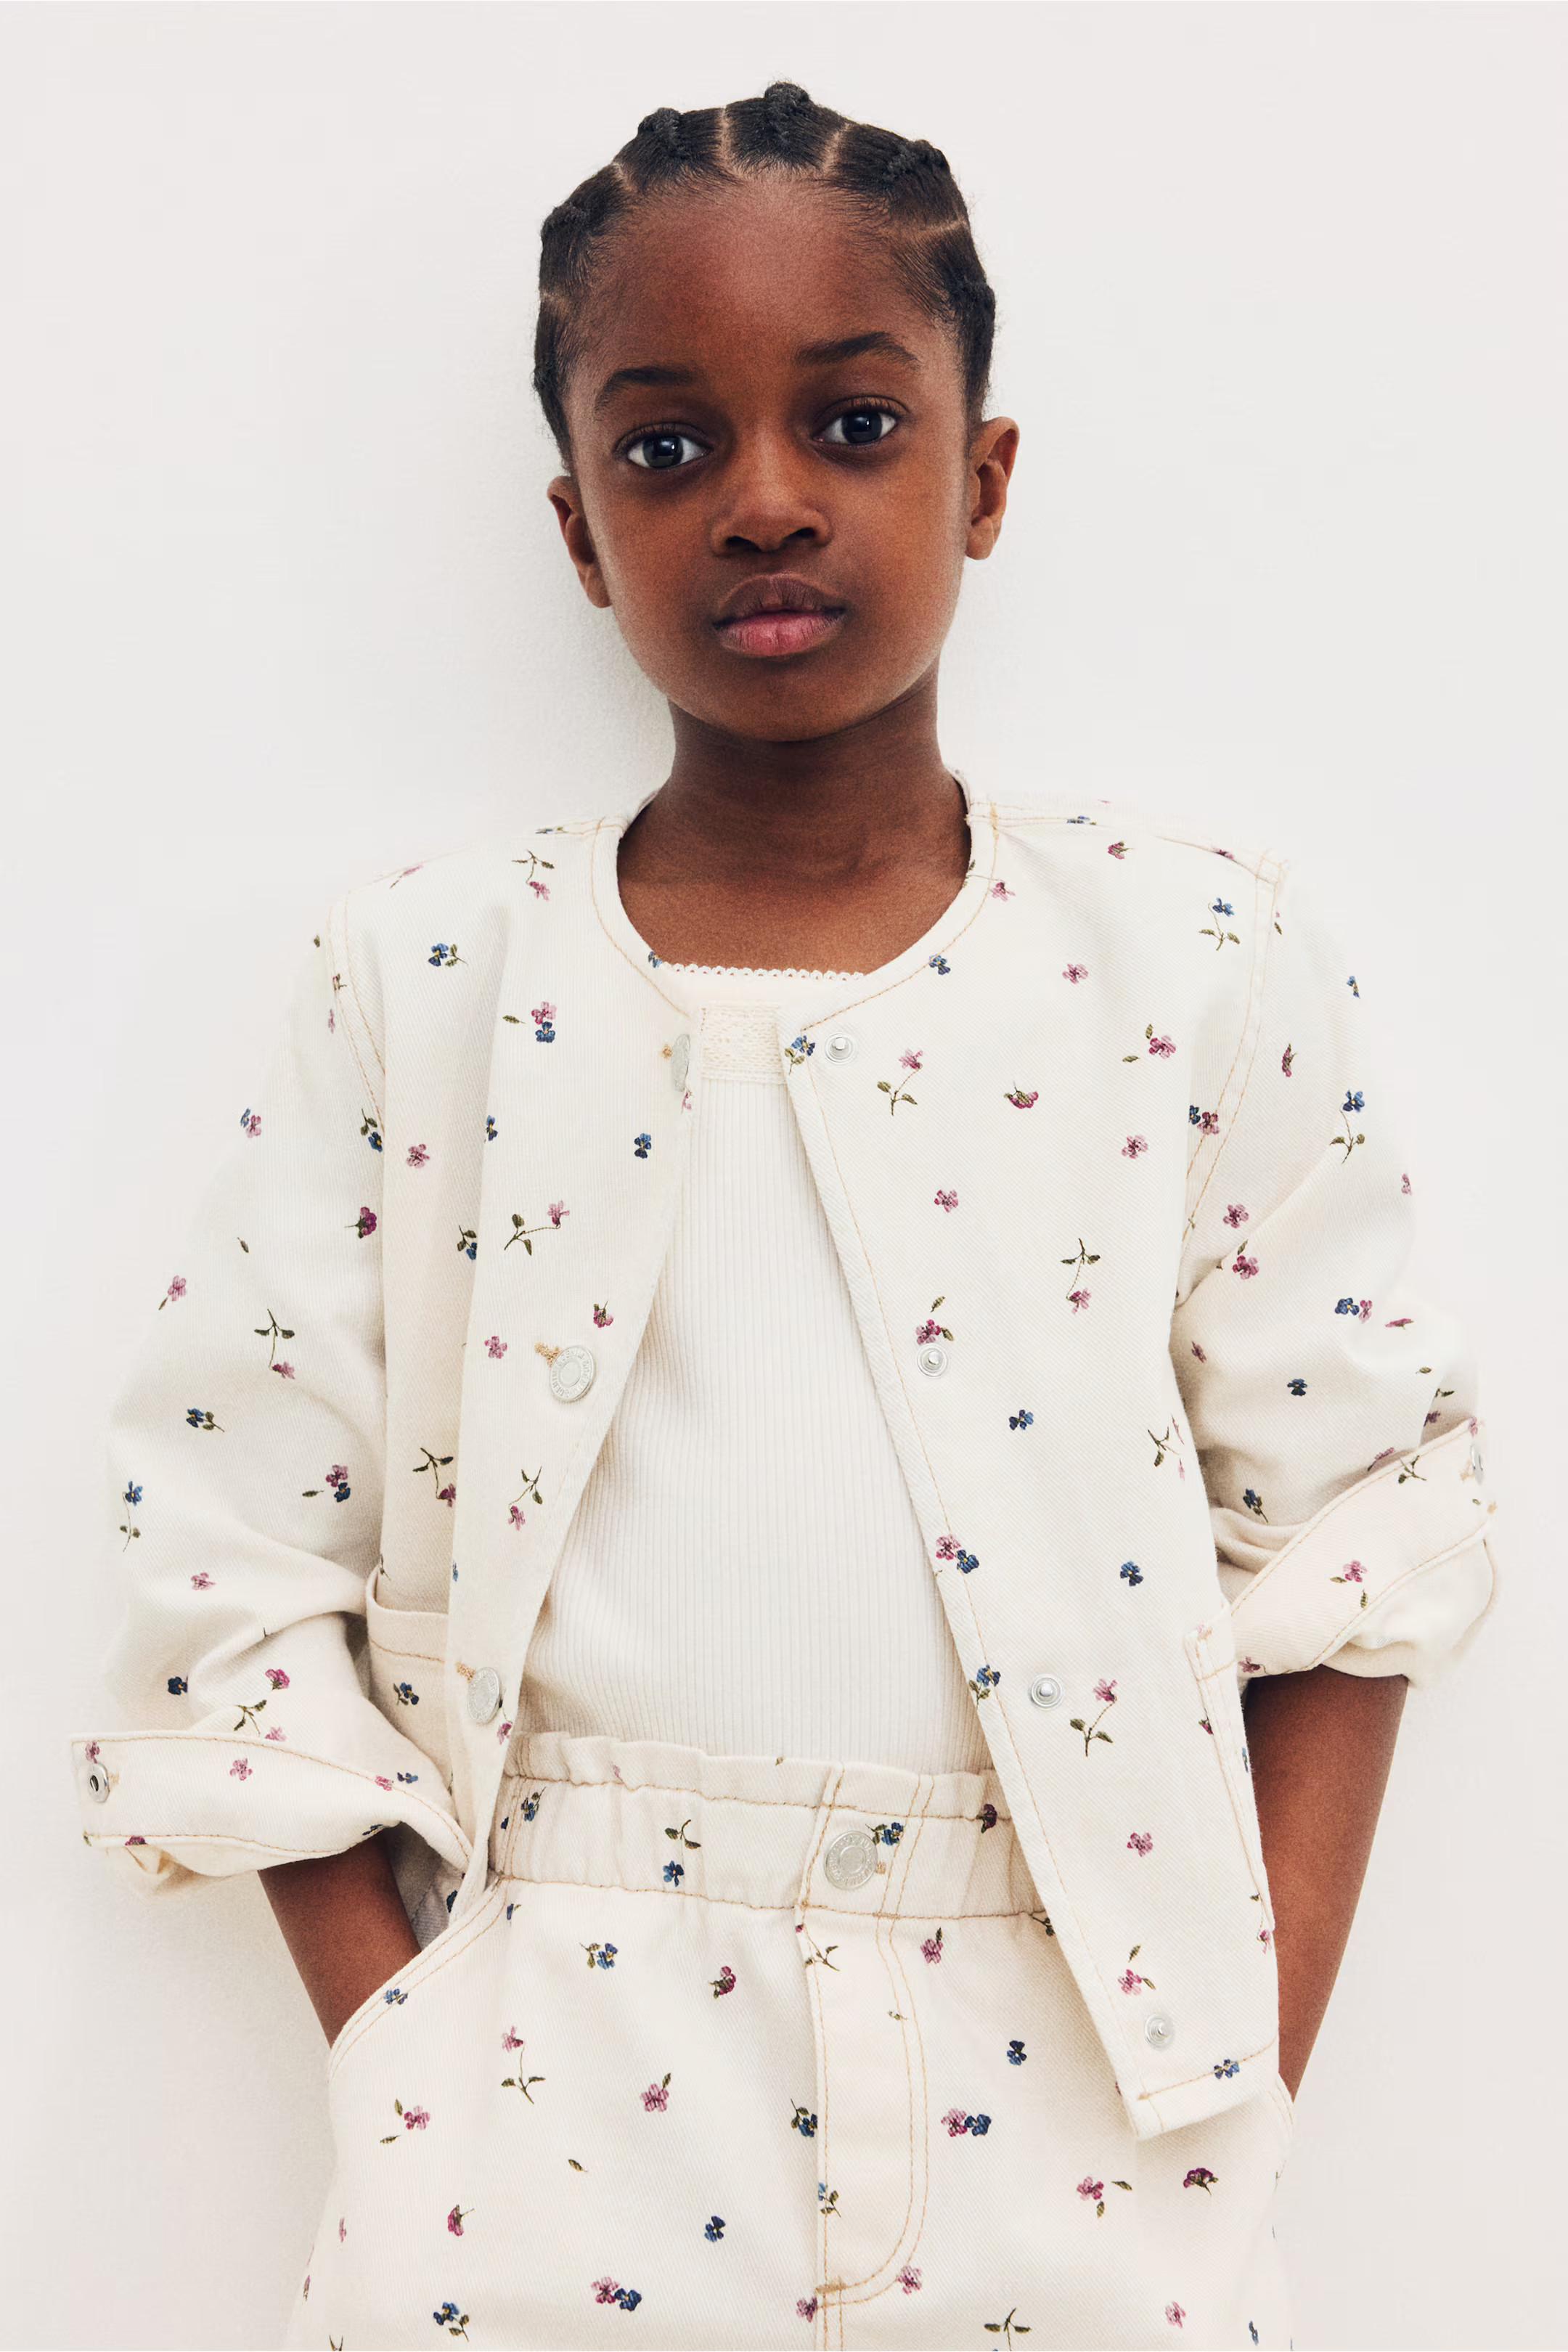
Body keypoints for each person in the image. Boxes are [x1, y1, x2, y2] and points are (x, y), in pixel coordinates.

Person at [70, 82, 1499, 2352]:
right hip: (540, 2085)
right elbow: (229, 1545)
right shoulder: (428, 981)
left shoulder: (1193, 962)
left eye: (851, 422)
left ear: (983, 477)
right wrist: (409, 2066)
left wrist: (1246, 2057)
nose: (761, 500)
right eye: (667, 446)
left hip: (1088, 2075)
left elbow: (1353, 1531)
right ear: (576, 527)